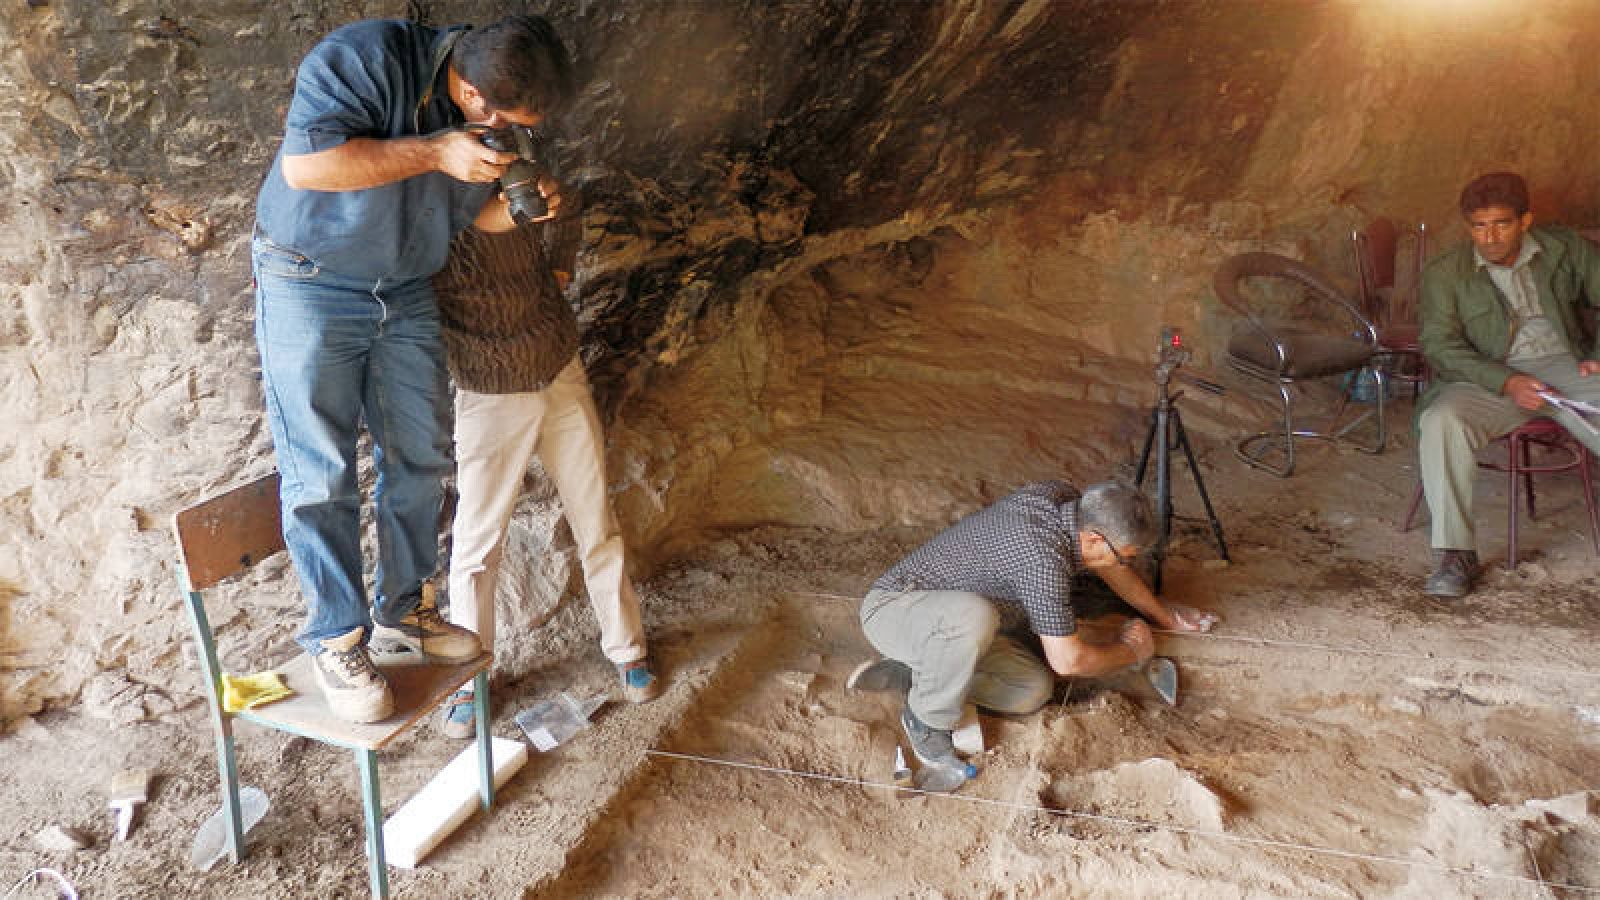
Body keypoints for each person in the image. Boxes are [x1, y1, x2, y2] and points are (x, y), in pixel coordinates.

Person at [252, 15, 573, 723]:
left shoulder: (489, 125)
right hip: (310, 278)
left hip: (402, 286)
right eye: (506, 120)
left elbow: (473, 217)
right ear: (474, 92)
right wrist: (434, 153)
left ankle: (404, 611)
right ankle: (336, 638)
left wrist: (522, 210)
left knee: (422, 451)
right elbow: (308, 166)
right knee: (322, 468)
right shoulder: (363, 58)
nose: (507, 133)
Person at [430, 210, 663, 740]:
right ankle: (471, 678)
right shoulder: (437, 206)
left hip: (559, 372)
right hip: (488, 390)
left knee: (595, 519)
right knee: (476, 541)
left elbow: (569, 210)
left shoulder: (519, 180)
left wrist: (556, 269)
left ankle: (629, 650)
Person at [848, 480, 1219, 792]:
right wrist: (1131, 652)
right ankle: (925, 720)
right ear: (1092, 539)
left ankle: (913, 675)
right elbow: (1068, 661)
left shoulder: (1065, 502)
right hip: (897, 609)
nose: (1124, 564)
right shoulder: (1043, 562)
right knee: (975, 616)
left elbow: (1109, 568)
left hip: (950, 629)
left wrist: (1162, 614)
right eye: (1124, 556)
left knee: (1031, 691)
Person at [1417, 172, 1600, 598]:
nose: (1490, 236)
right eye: (1479, 226)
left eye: (1501, 223)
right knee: (1442, 421)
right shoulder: (1446, 273)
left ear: (1525, 221)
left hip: (1566, 364)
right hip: (1489, 373)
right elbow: (1439, 345)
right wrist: (1507, 381)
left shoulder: (1565, 248)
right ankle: (1455, 553)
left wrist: (1597, 355)